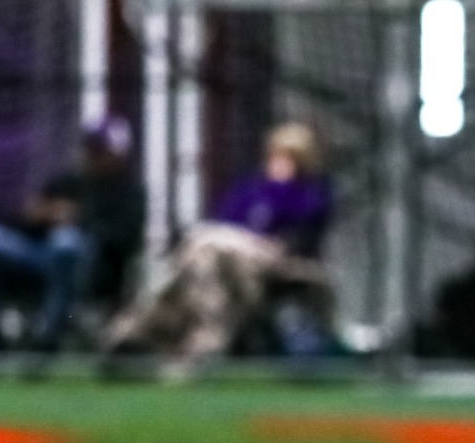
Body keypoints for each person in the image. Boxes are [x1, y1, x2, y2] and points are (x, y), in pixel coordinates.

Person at [103, 122, 334, 367]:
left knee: (203, 244)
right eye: (277, 155)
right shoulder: (251, 189)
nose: (279, 162)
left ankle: (136, 331)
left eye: (290, 157)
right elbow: (226, 218)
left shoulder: (311, 193)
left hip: (275, 260)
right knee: (205, 257)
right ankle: (190, 344)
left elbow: (300, 235)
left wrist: (282, 188)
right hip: (227, 260)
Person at [0, 116, 145, 353]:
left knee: (65, 243)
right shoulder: (67, 182)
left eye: (101, 150)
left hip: (88, 270)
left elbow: (123, 242)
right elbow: (22, 222)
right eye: (90, 148)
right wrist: (42, 215)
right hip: (36, 258)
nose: (93, 155)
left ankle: (45, 340)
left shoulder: (129, 194)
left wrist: (78, 221)